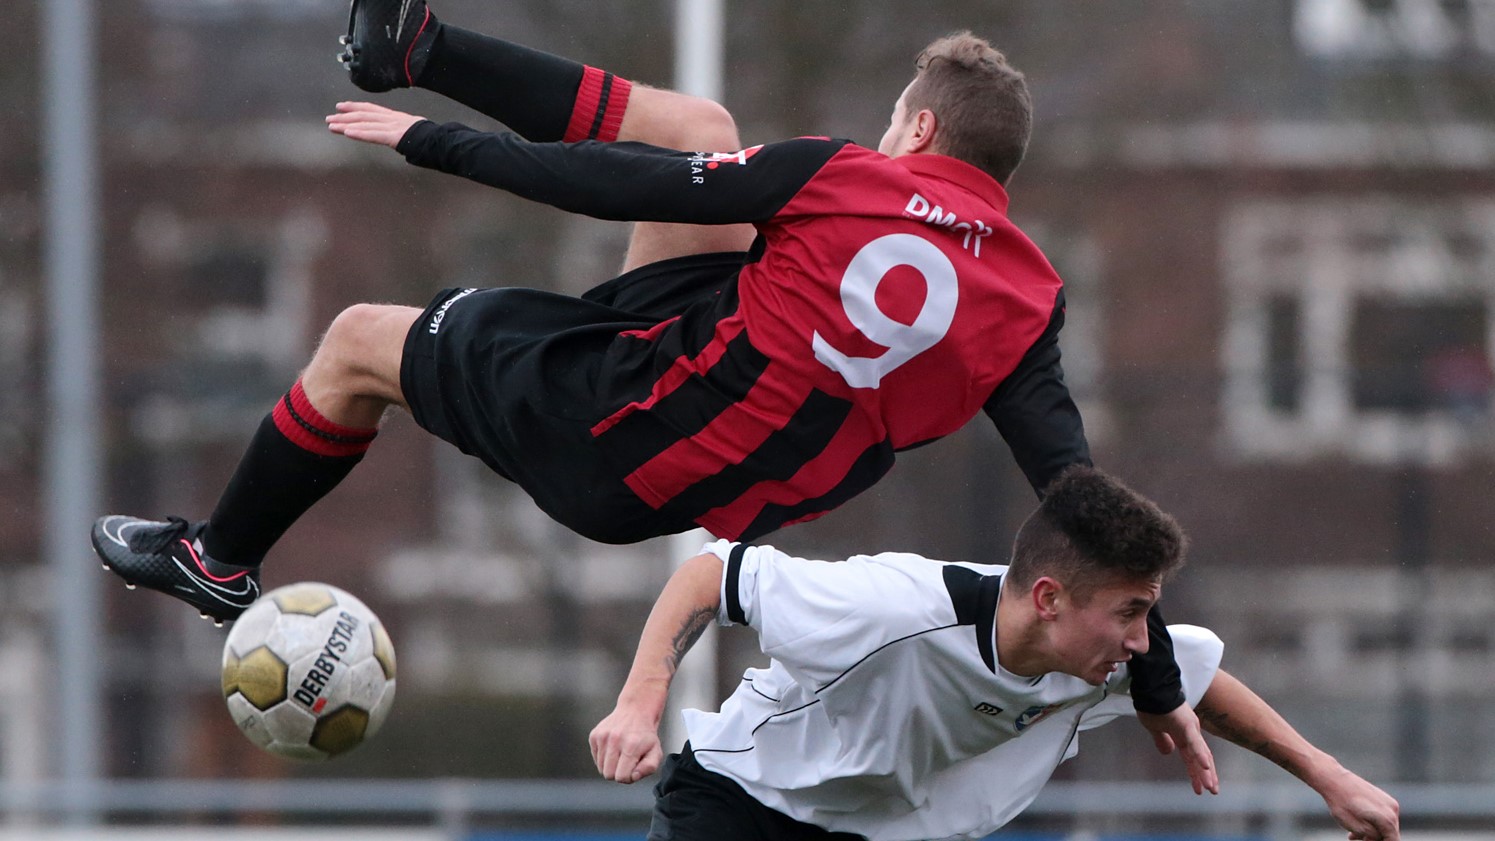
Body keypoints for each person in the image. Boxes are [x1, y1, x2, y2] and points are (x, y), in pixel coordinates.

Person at [90, 0, 1210, 789]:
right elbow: (1076, 490)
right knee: (701, 128)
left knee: (351, 347)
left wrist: (439, 144)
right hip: (699, 441)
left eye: (891, 127)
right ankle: (406, 40)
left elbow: (614, 182)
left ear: (915, 130)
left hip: (612, 427)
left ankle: (218, 558)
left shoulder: (849, 175)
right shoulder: (1027, 299)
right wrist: (1156, 681)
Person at [589, 466, 1400, 841]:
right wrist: (638, 700)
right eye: (1128, 611)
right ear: (1048, 598)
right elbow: (709, 573)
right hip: (741, 806)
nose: (1139, 640)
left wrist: (1328, 776)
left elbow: (1200, 678)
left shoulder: (1112, 656)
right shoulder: (890, 605)